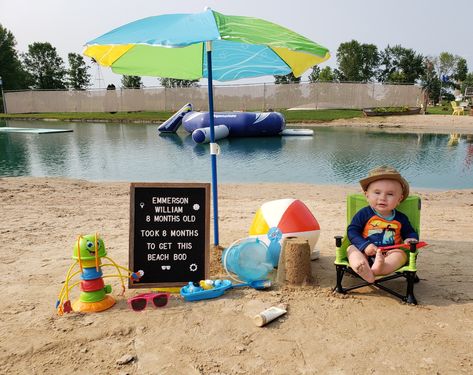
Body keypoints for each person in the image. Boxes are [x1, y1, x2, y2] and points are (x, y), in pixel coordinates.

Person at [347, 166, 419, 283]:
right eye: (377, 192)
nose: (382, 198)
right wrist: (365, 246)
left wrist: (411, 238)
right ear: (367, 195)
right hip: (365, 251)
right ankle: (361, 266)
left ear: (399, 199)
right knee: (351, 249)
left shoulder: (401, 218)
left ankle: (379, 269)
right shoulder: (364, 214)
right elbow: (352, 231)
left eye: (390, 194)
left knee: (401, 254)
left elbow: (409, 232)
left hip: (389, 253)